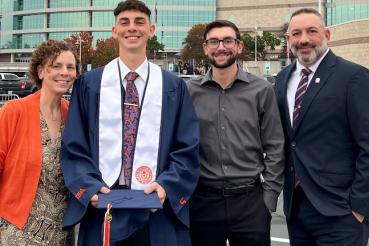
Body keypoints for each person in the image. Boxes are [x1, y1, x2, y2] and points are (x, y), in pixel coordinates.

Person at [60, 1, 199, 245]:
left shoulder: (173, 87)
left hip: (157, 209)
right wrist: (88, 187)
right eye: (124, 22)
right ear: (114, 31)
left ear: (151, 30)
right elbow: (74, 145)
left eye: (139, 22)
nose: (131, 28)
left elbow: (187, 147)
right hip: (102, 206)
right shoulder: (89, 85)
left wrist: (167, 184)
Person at [275, 8, 369, 246]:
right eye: (296, 33)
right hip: (296, 209)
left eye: (312, 31)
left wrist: (359, 206)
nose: (303, 39)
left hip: (341, 212)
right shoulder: (283, 78)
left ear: (327, 34)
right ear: (288, 40)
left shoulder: (354, 77)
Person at [187, 20, 285, 246]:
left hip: (251, 203)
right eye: (214, 41)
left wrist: (268, 200)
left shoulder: (262, 90)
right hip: (203, 202)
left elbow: (275, 147)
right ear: (205, 48)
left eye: (228, 40)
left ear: (239, 46)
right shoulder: (189, 91)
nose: (221, 47)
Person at [0, 40, 78, 245]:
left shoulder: (73, 115)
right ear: (41, 71)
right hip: (17, 229)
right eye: (57, 66)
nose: (65, 72)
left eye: (71, 67)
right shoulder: (14, 111)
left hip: (62, 230)